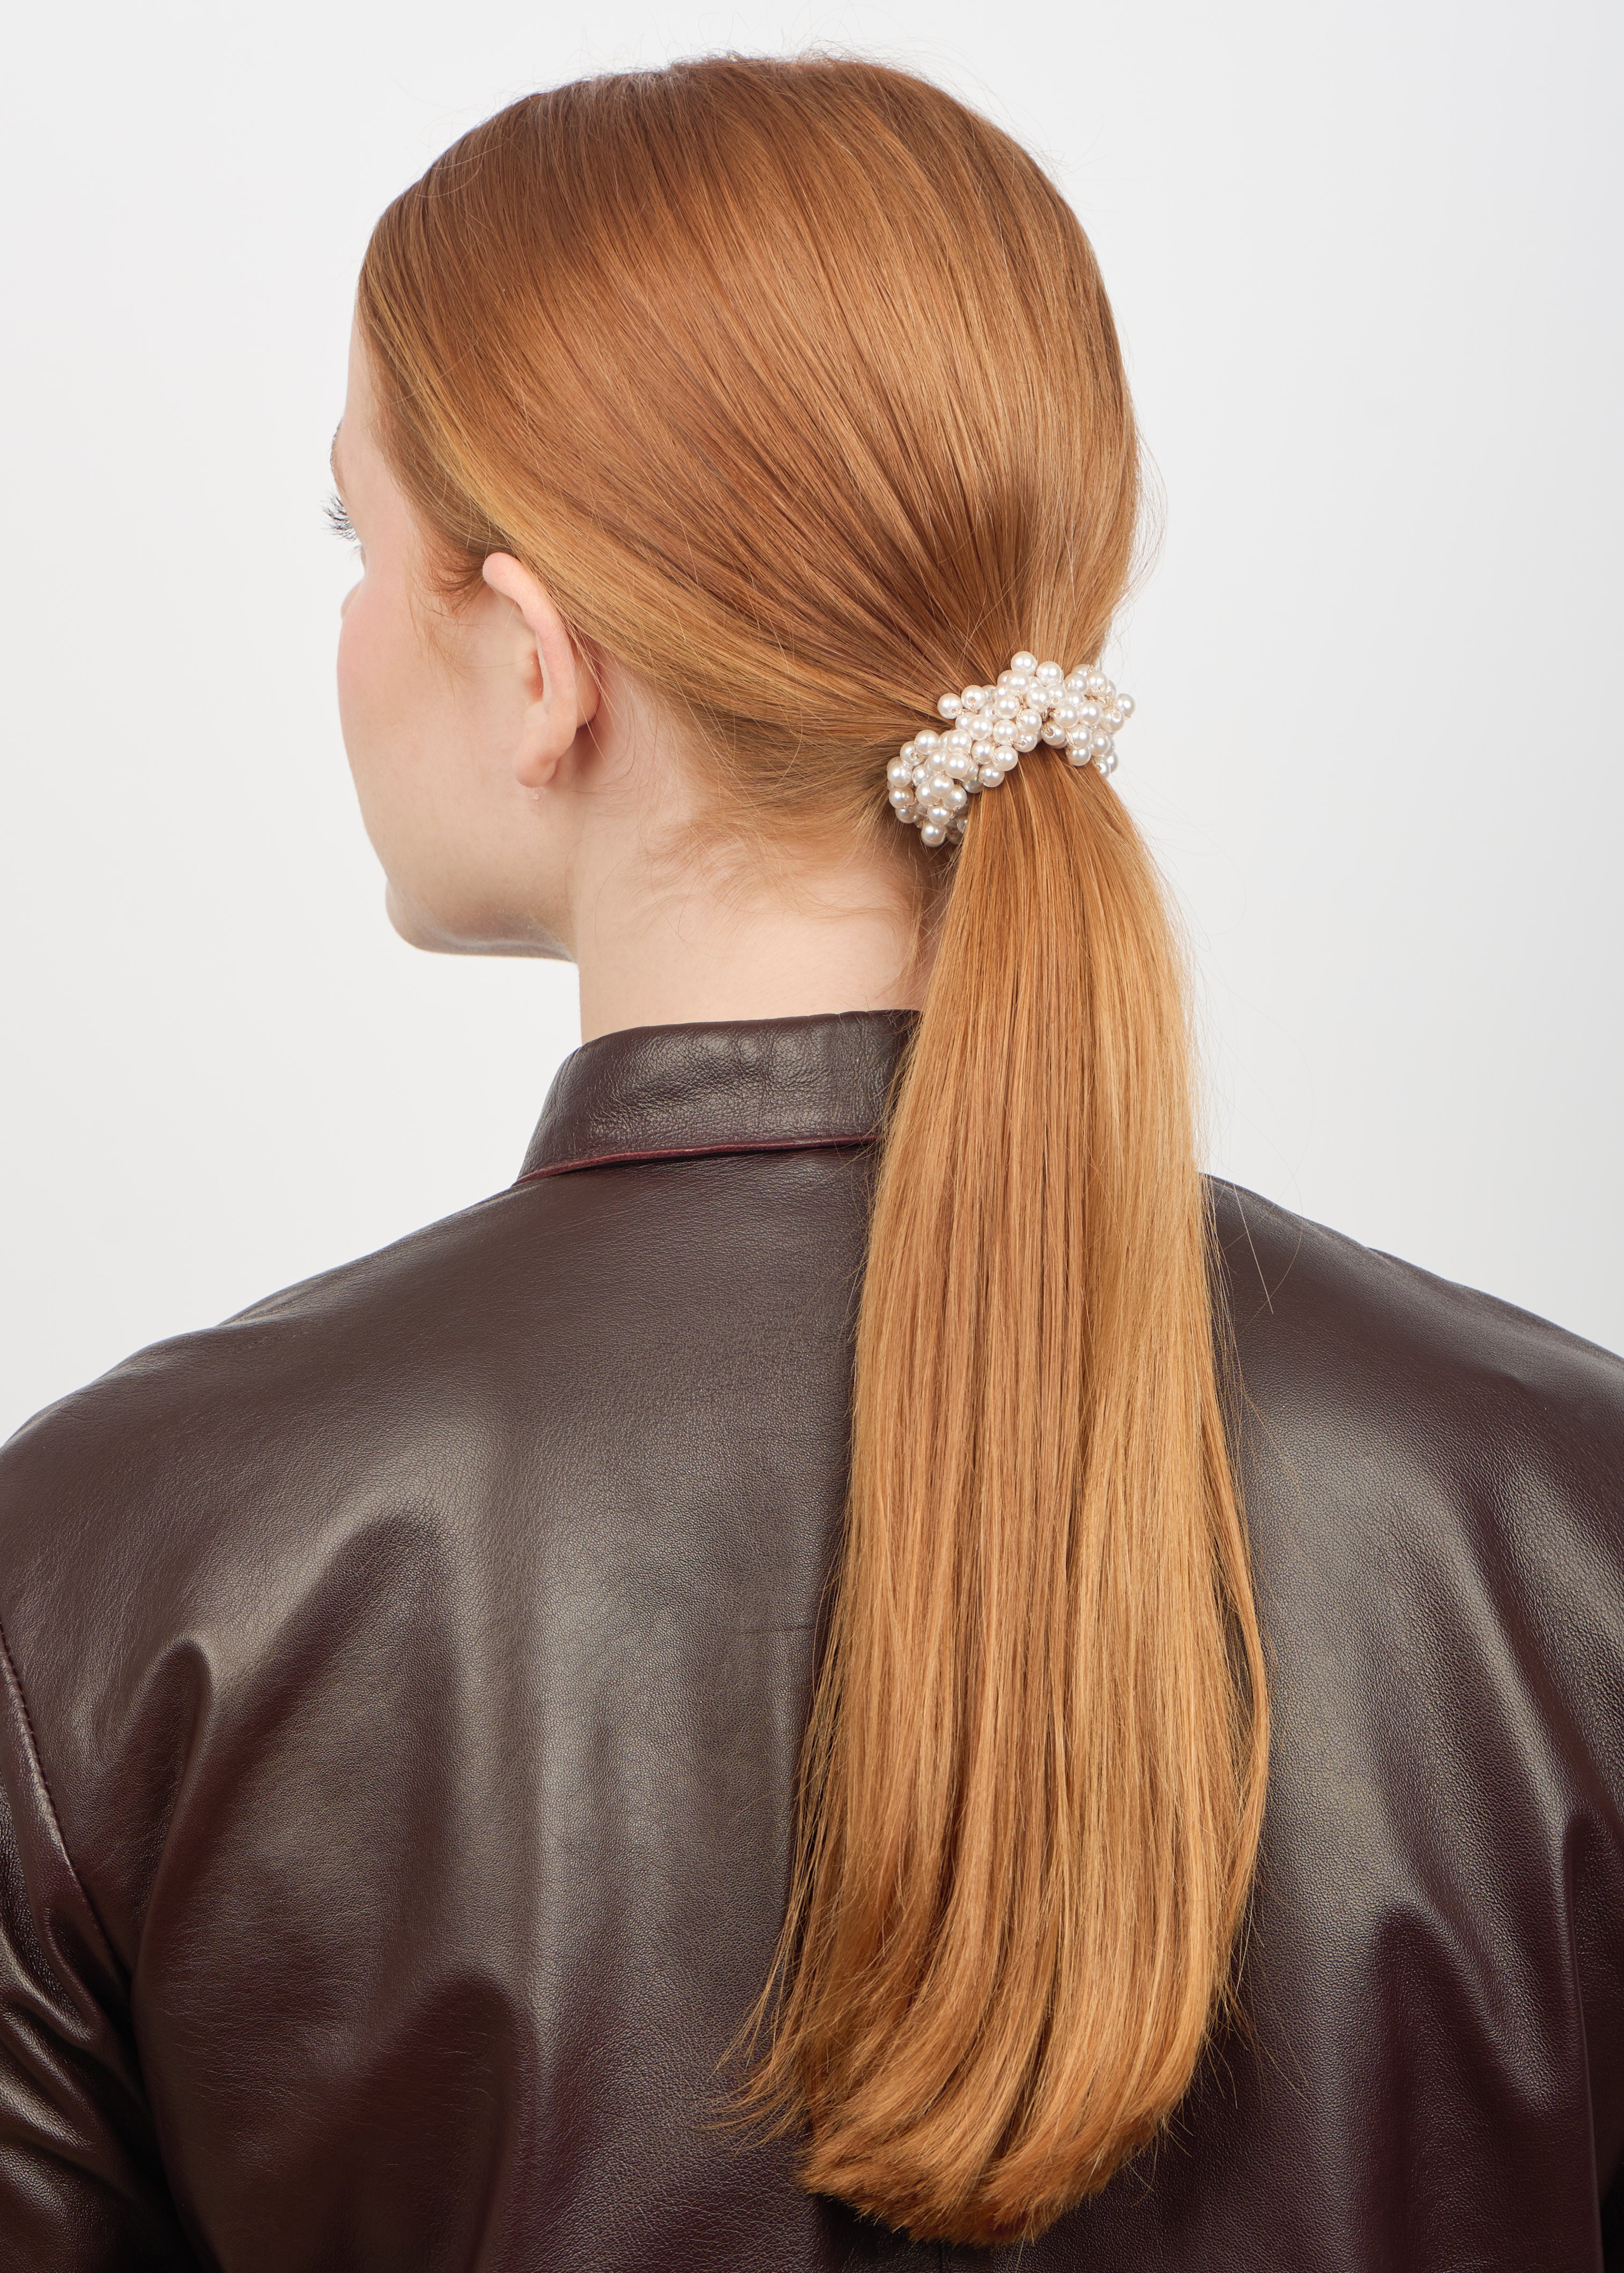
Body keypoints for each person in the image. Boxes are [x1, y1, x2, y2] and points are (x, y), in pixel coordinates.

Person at [0, 51, 1620, 2273]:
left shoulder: (111, 1571)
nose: (347, 630)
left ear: (539, 661)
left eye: (348, 539)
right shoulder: (1565, 1510)